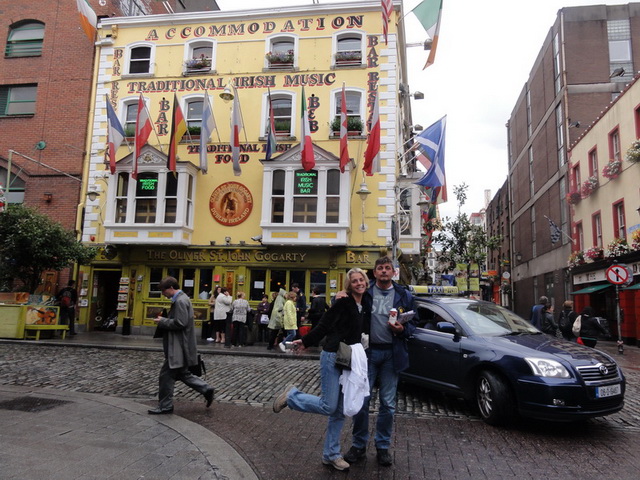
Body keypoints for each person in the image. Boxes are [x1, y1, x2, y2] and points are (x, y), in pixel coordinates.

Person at [272, 268, 370, 472]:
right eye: (354, 281)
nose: (359, 283)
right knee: (329, 405)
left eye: (361, 279)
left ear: (366, 282)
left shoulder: (364, 303)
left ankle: (331, 454)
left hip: (349, 359)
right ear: (349, 285)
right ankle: (291, 397)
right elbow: (325, 324)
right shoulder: (343, 302)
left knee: (339, 411)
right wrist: (306, 341)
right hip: (333, 355)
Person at [344, 256, 416, 467]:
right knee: (362, 401)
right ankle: (358, 445)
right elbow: (348, 304)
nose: (384, 271)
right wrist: (340, 295)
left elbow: (415, 323)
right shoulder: (365, 293)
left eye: (387, 268)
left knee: (388, 403)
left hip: (392, 353)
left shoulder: (404, 295)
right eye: (380, 268)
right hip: (368, 353)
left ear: (393, 272)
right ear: (374, 273)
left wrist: (402, 329)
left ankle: (382, 446)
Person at [149, 276, 214, 414]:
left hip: (178, 345)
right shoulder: (182, 299)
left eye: (164, 291)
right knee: (183, 373)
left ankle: (165, 406)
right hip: (180, 345)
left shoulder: (180, 301)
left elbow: (180, 323)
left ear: (171, 288)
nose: (163, 294)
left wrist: (162, 321)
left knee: (166, 376)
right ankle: (206, 388)